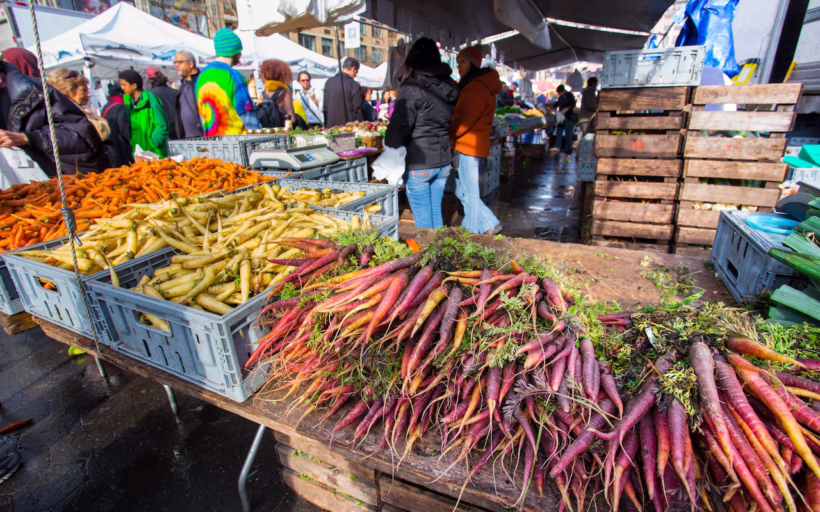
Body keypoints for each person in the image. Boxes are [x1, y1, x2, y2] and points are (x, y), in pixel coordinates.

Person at [384, 37, 459, 230]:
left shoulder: (413, 87)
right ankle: (441, 249)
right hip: (443, 162)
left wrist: (390, 146)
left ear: (413, 58)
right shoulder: (450, 85)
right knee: (435, 218)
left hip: (420, 163)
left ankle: (431, 250)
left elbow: (399, 127)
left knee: (424, 227)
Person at [0, 61, 110, 176]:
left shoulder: (37, 91)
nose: (89, 94)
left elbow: (83, 135)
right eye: (84, 90)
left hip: (61, 177)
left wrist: (29, 138)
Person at [450, 46, 503, 235]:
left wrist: (451, 135)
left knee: (469, 192)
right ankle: (490, 223)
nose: (459, 66)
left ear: (473, 63)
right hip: (471, 145)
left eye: (463, 61)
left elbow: (464, 121)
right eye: (458, 62)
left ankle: (471, 232)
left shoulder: (476, 87)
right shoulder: (480, 85)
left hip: (468, 146)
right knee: (462, 191)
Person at [196, 28, 261, 136]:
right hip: (237, 140)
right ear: (235, 51)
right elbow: (247, 114)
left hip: (213, 141)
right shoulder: (233, 75)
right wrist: (258, 134)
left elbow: (202, 115)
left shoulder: (202, 77)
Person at [47, 68, 112, 161]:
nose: (89, 95)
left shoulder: (77, 111)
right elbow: (101, 133)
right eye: (84, 90)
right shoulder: (66, 114)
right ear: (68, 91)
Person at [119, 70, 169, 158]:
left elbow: (162, 126)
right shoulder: (127, 103)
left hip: (154, 153)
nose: (122, 88)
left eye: (124, 85)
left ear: (134, 86)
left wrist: (153, 143)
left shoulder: (151, 100)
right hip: (138, 153)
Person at [256, 59, 299, 129]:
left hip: (266, 131)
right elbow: (292, 119)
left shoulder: (263, 94)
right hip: (281, 131)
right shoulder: (285, 94)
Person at [323, 57, 363, 129]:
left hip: (331, 126)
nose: (356, 75)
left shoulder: (329, 82)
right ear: (353, 69)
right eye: (357, 72)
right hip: (348, 127)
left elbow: (325, 107)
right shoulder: (354, 85)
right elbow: (357, 109)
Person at [146, 67, 181, 140]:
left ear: (150, 81)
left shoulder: (150, 96)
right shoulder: (176, 93)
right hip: (179, 132)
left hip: (162, 134)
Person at [101, 85, 133, 167]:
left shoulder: (106, 106)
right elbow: (124, 128)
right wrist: (132, 140)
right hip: (121, 143)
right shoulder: (121, 107)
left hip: (111, 142)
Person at [174, 51, 203, 138]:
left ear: (191, 64)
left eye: (180, 62)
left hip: (204, 136)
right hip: (187, 137)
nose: (176, 65)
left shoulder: (202, 82)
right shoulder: (182, 85)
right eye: (175, 62)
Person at [553, 84, 576, 154]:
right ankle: (557, 148)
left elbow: (573, 104)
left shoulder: (569, 95)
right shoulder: (560, 97)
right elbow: (556, 104)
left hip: (568, 116)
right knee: (559, 132)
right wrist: (547, 105)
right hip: (560, 116)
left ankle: (569, 149)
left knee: (568, 133)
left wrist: (566, 109)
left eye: (559, 93)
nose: (559, 94)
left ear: (563, 91)